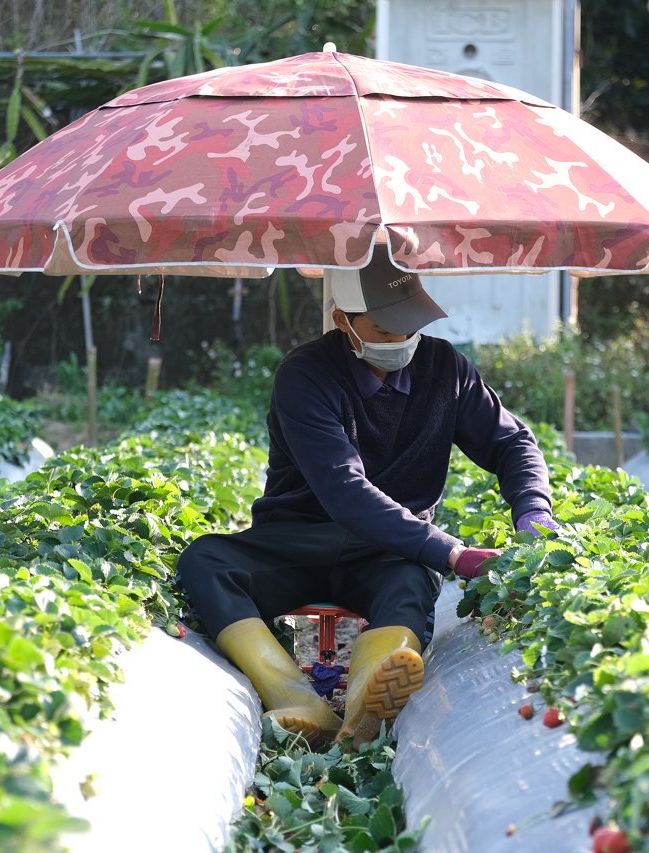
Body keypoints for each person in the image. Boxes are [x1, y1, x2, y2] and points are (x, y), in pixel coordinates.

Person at [178, 244, 559, 747]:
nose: (401, 340)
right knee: (205, 561)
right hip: (299, 540)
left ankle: (366, 698)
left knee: (408, 585)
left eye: (409, 326)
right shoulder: (306, 375)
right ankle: (292, 695)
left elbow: (512, 443)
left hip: (386, 552)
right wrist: (452, 552)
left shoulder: (445, 369)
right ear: (343, 321)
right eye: (384, 329)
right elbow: (344, 488)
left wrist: (533, 510)